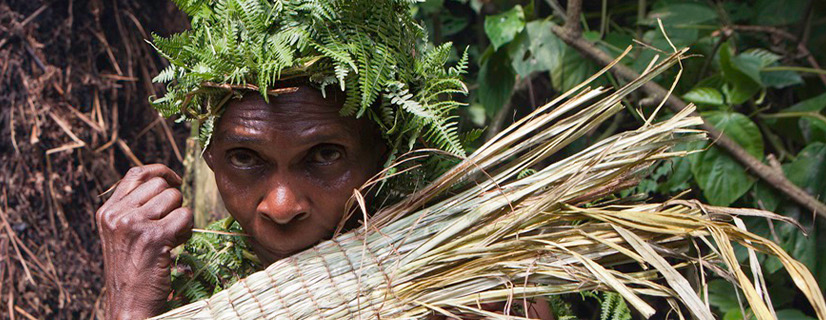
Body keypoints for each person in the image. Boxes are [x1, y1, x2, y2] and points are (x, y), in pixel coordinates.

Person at [96, 0, 553, 318]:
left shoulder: (469, 280)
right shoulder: (180, 284)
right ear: (211, 158)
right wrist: (129, 310)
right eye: (245, 158)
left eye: (324, 155)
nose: (280, 205)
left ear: (388, 156)